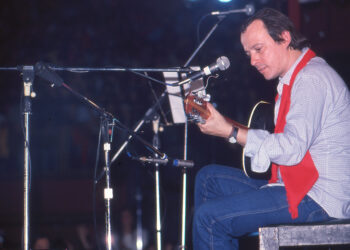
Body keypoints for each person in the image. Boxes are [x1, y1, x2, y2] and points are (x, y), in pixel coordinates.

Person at [192, 7, 350, 250]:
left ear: (284, 38)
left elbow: (292, 149)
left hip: (318, 198)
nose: (253, 61)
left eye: (258, 49)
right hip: (297, 184)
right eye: (249, 54)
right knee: (208, 179)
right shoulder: (293, 79)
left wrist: (231, 132)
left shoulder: (311, 79)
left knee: (209, 218)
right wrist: (228, 128)